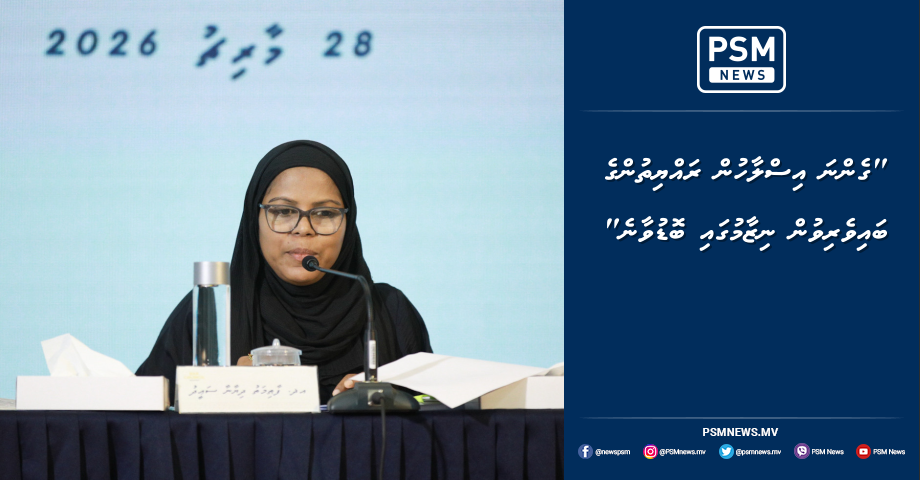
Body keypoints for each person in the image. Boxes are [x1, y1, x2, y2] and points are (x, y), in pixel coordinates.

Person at [137, 140, 432, 405]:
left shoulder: (387, 310)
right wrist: (221, 389)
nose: (303, 228)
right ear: (254, 219)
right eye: (283, 212)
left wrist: (390, 396)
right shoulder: (212, 312)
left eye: (325, 213)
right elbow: (143, 419)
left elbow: (437, 414)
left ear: (348, 222)